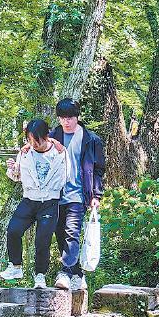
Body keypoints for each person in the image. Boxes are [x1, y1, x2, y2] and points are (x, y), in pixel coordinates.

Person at [0, 120, 69, 289]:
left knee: (42, 241)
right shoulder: (25, 153)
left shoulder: (60, 153)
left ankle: (40, 276)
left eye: (37, 140)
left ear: (46, 136)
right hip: (29, 199)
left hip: (49, 202)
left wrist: (52, 190)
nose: (34, 144)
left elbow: (67, 176)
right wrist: (12, 169)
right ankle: (15, 267)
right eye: (30, 140)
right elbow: (17, 177)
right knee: (13, 230)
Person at [49, 99, 106, 291]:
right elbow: (37, 151)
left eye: (70, 118)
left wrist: (96, 195)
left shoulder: (91, 139)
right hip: (55, 196)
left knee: (72, 233)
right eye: (62, 118)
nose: (66, 122)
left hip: (78, 195)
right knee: (60, 235)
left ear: (77, 117)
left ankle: (65, 273)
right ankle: (78, 275)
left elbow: (98, 170)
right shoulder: (52, 137)